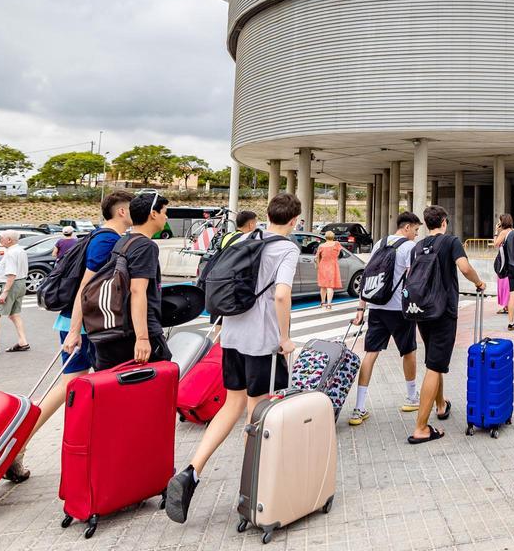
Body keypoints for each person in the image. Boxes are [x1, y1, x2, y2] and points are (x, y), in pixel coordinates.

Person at [165, 193, 300, 523]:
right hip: (261, 343)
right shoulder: (287, 248)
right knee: (257, 413)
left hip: (232, 338)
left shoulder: (244, 238)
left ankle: (191, 471)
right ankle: (253, 493)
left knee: (232, 405)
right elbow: (281, 294)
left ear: (268, 215)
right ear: (295, 220)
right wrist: (284, 338)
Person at [5, 191, 133, 483]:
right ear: (122, 211)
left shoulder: (103, 237)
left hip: (81, 325)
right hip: (85, 326)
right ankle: (17, 444)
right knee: (69, 387)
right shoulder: (106, 240)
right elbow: (86, 288)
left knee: (69, 386)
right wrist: (75, 330)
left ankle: (18, 446)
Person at [408, 205, 485, 445]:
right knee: (434, 366)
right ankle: (421, 427)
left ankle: (441, 405)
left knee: (434, 360)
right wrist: (479, 282)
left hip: (421, 310)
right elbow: (464, 268)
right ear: (443, 221)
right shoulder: (451, 242)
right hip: (443, 310)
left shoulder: (418, 246)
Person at [82, 192, 174, 369]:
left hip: (115, 330)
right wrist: (143, 338)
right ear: (153, 214)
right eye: (164, 212)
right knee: (156, 384)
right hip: (135, 332)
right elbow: (138, 291)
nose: (166, 217)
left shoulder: (124, 241)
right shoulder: (146, 246)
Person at [349, 212, 422, 426]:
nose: (416, 235)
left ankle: (359, 407)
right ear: (407, 227)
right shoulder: (409, 248)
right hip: (398, 309)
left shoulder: (380, 242)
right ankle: (411, 397)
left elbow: (368, 274)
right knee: (409, 352)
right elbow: (414, 279)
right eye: (416, 230)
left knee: (370, 354)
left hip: (376, 306)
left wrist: (360, 308)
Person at [492, 214, 514, 314]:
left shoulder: (503, 232)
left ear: (503, 222)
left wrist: (496, 232)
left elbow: (496, 244)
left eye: (500, 221)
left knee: (505, 282)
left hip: (505, 261)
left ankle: (507, 306)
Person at [316, 230, 343, 309]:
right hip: (332, 265)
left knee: (323, 286)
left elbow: (318, 257)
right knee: (330, 286)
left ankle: (322, 302)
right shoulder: (336, 244)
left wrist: (318, 266)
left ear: (325, 237)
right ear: (333, 237)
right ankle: (329, 304)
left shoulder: (321, 246)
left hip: (322, 266)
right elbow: (338, 254)